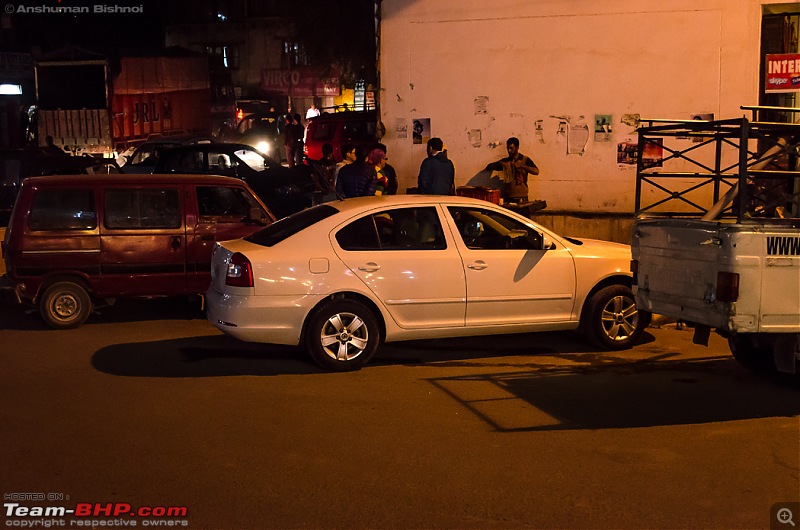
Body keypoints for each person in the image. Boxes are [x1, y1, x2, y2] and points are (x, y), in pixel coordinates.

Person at [484, 136, 539, 203]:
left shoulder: (524, 159)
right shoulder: (506, 161)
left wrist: (522, 166)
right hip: (508, 197)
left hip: (522, 197)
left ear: (517, 147)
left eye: (511, 148)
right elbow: (489, 167)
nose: (509, 151)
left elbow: (536, 171)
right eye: (508, 148)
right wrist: (501, 164)